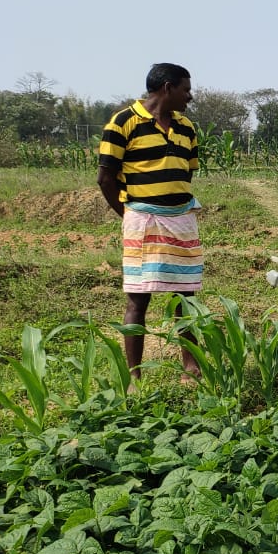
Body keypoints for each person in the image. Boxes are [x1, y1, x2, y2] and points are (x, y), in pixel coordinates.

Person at [96, 63, 201, 385]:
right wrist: (130, 215)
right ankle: (134, 376)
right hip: (143, 220)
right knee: (138, 297)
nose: (190, 96)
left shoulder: (186, 127)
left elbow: (187, 172)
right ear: (167, 88)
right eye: (186, 89)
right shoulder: (122, 122)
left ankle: (190, 367)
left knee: (186, 295)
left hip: (181, 219)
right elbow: (105, 178)